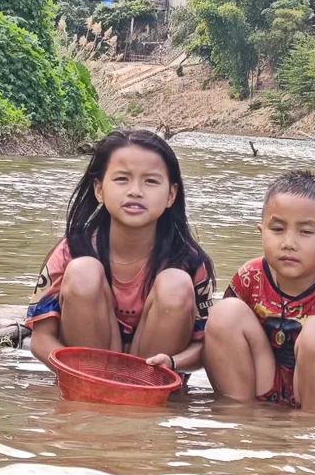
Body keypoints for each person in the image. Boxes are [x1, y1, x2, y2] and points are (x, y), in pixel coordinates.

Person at [27, 128, 216, 378]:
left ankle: (144, 397)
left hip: (153, 380)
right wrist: (75, 374)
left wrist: (171, 362)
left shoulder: (188, 260)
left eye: (150, 181)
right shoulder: (73, 249)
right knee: (84, 272)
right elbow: (41, 339)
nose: (135, 191)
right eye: (122, 179)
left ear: (171, 194)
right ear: (99, 190)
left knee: (176, 283)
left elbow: (203, 347)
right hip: (87, 376)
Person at [203, 171, 315, 416]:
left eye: (305, 232)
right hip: (264, 381)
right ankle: (239, 419)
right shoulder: (249, 276)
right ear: (261, 231)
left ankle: (308, 433)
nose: (288, 242)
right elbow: (223, 340)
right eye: (277, 229)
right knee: (224, 313)